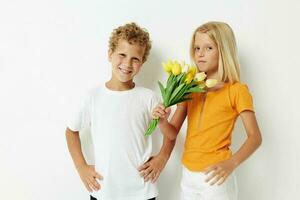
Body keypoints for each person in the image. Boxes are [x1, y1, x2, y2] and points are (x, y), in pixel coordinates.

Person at [152, 21, 262, 200]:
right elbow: (172, 134)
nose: (200, 54)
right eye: (196, 48)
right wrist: (162, 121)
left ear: (223, 51)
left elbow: (255, 137)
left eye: (208, 48)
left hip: (216, 178)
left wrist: (231, 164)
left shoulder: (236, 90)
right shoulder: (188, 88)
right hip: (188, 175)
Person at [65, 22, 175, 200]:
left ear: (142, 62)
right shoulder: (93, 97)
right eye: (122, 55)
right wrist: (81, 167)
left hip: (142, 191)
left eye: (135, 59)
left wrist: (162, 158)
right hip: (104, 191)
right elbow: (71, 131)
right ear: (110, 54)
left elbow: (171, 135)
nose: (127, 63)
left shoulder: (149, 98)